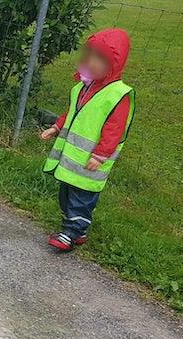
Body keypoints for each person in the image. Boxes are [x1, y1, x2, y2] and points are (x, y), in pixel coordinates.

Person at [40, 28, 134, 251]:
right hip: (72, 162)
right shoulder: (83, 86)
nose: (92, 62)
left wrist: (101, 156)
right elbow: (73, 112)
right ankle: (76, 230)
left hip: (92, 161)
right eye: (90, 55)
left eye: (100, 59)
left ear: (114, 64)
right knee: (67, 195)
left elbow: (115, 130)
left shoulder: (117, 95)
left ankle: (70, 232)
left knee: (82, 198)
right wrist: (56, 126)